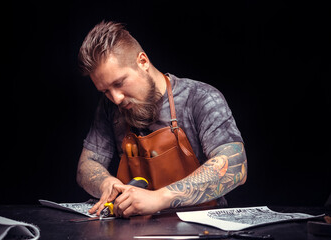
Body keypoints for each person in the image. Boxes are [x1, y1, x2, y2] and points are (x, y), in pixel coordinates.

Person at [76, 21, 247, 218]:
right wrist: (106, 183)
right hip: (134, 229)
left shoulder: (200, 97)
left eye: (119, 83)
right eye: (106, 91)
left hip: (201, 226)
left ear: (142, 62)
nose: (116, 98)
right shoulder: (110, 108)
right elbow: (86, 164)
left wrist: (159, 198)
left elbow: (235, 167)